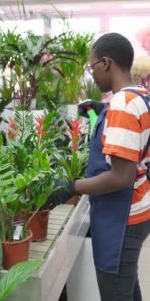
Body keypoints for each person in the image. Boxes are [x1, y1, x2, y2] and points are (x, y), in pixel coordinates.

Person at [46, 32, 150, 301]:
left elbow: (120, 177)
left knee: (116, 293)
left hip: (122, 217)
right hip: (139, 209)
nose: (91, 74)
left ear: (106, 63)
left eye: (91, 66)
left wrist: (70, 187)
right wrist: (101, 111)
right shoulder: (139, 96)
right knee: (127, 288)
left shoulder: (123, 105)